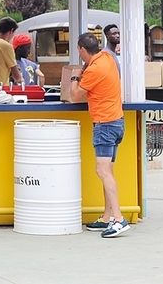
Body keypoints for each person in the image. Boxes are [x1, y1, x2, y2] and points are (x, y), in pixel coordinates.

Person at [68, 32, 130, 238]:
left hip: (104, 124)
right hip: (117, 122)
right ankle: (107, 217)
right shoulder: (107, 58)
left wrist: (76, 76)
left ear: (82, 50)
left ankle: (119, 218)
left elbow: (75, 95)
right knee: (108, 172)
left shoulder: (94, 69)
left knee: (102, 172)